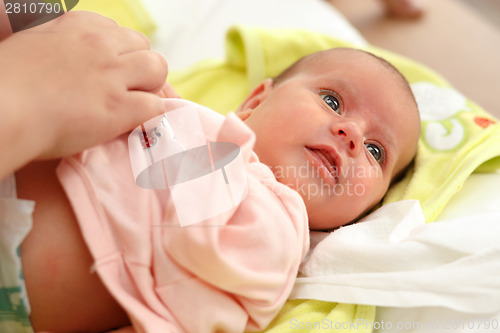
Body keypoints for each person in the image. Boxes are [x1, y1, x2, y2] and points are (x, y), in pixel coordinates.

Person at [14, 48, 420, 332]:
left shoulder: (279, 226)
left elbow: (195, 253)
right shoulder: (197, 121)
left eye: (375, 151)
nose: (351, 134)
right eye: (332, 101)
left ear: (367, 208)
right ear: (256, 100)